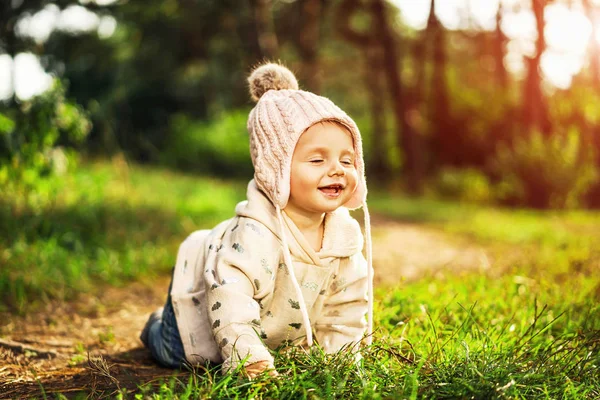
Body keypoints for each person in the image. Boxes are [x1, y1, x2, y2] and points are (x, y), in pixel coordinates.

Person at [140, 62, 374, 378]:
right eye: (317, 159)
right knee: (173, 350)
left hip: (272, 327)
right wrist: (248, 359)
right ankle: (158, 322)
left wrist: (341, 361)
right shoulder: (255, 232)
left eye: (347, 160)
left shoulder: (343, 237)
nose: (337, 169)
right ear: (274, 168)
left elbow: (346, 307)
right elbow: (231, 298)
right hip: (203, 319)